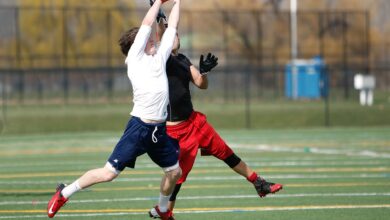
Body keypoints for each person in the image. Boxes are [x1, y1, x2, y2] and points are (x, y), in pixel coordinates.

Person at [47, 1, 181, 219]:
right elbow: (147, 23)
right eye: (149, 38)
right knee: (109, 173)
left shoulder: (159, 56)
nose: (154, 39)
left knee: (174, 172)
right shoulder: (135, 59)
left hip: (158, 131)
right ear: (139, 44)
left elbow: (173, 26)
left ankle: (162, 210)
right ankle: (63, 193)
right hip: (139, 128)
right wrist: (157, 2)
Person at [148, 6, 283, 216]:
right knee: (178, 177)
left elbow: (202, 84)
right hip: (176, 132)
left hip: (194, 122)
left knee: (225, 151)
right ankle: (166, 212)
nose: (175, 36)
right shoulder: (161, 59)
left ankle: (258, 182)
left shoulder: (183, 60)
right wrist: (160, 18)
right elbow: (161, 34)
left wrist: (204, 72)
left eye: (177, 34)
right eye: (171, 34)